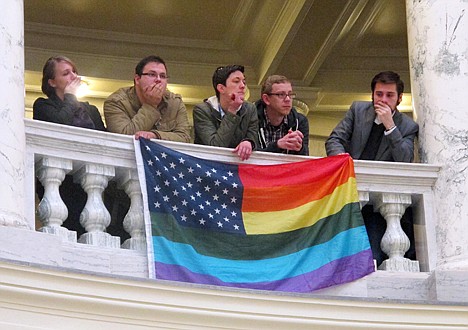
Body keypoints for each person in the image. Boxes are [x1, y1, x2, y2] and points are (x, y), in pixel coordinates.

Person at [325, 71, 419, 266]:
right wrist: (344, 162)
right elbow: (335, 140)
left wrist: (390, 127)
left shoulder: (408, 126)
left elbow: (405, 159)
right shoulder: (358, 110)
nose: (383, 100)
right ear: (372, 95)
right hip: (350, 192)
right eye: (379, 94)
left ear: (399, 98)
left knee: (373, 254)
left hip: (380, 205)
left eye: (389, 95)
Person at [33, 56, 106, 236]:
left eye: (74, 71)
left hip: (89, 182)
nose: (73, 76)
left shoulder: (91, 110)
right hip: (59, 183)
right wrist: (71, 97)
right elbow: (60, 124)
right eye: (66, 73)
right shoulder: (43, 105)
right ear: (52, 82)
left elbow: (104, 141)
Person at [104, 55, 190, 142]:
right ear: (137, 79)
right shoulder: (116, 102)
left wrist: (156, 136)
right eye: (152, 74)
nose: (158, 80)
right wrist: (151, 105)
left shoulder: (175, 102)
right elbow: (123, 138)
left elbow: (185, 138)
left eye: (163, 76)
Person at [193, 65, 258, 161]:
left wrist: (249, 142)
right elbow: (215, 147)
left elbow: (253, 138)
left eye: (244, 82)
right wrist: (232, 112)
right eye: (236, 81)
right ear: (221, 88)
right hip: (209, 168)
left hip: (239, 167)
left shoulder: (250, 108)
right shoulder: (202, 110)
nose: (243, 86)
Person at [255, 75, 309, 155]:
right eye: (281, 95)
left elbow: (304, 160)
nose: (287, 99)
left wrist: (299, 147)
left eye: (290, 94)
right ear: (266, 99)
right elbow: (250, 156)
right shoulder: (251, 118)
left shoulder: (300, 121)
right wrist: (278, 145)